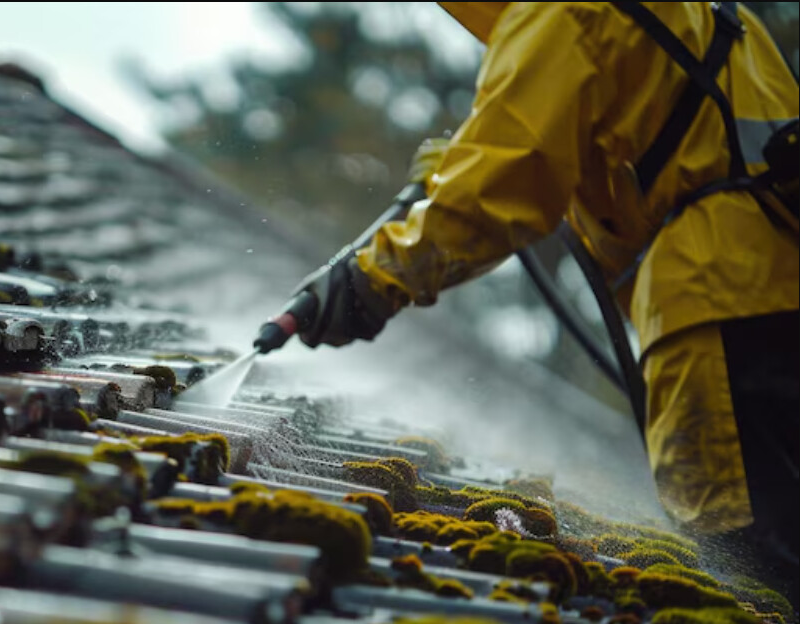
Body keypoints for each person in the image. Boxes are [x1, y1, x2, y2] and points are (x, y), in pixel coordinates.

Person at [284, 2, 799, 576]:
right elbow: (620, 124)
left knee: (750, 554)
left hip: (715, 302)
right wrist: (455, 168)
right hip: (771, 286)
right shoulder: (709, 12)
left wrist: (372, 280)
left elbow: (506, 179)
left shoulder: (563, 9)